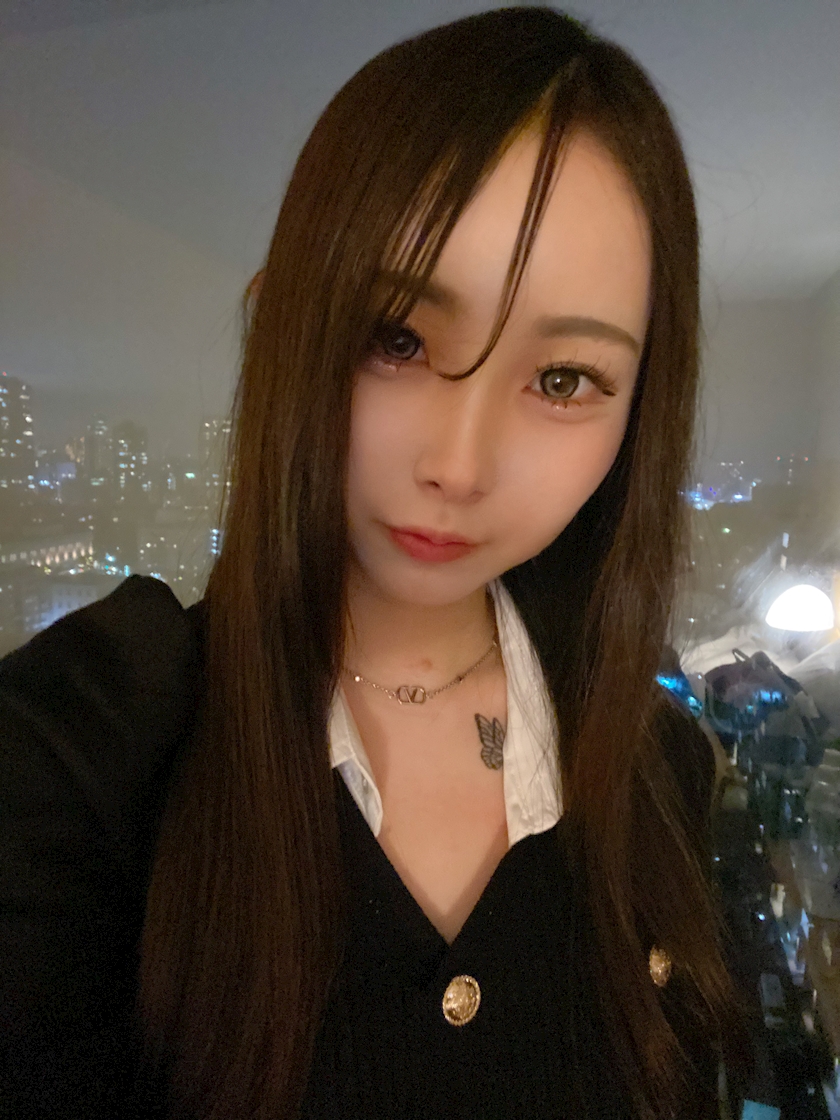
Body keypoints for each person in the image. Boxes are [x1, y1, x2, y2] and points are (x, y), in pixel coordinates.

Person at [0, 8, 750, 1119]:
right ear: (282, 328)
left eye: (563, 380)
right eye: (395, 338)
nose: (458, 464)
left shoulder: (660, 764)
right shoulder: (88, 751)